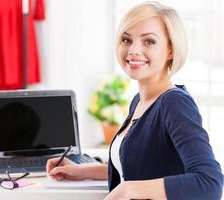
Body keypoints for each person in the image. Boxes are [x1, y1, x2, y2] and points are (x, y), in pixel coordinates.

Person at [46, 1, 223, 199]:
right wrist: (82, 170)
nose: (133, 50)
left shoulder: (174, 103)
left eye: (149, 41)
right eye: (127, 40)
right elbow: (137, 169)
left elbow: (210, 183)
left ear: (171, 49)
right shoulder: (139, 101)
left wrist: (128, 189)